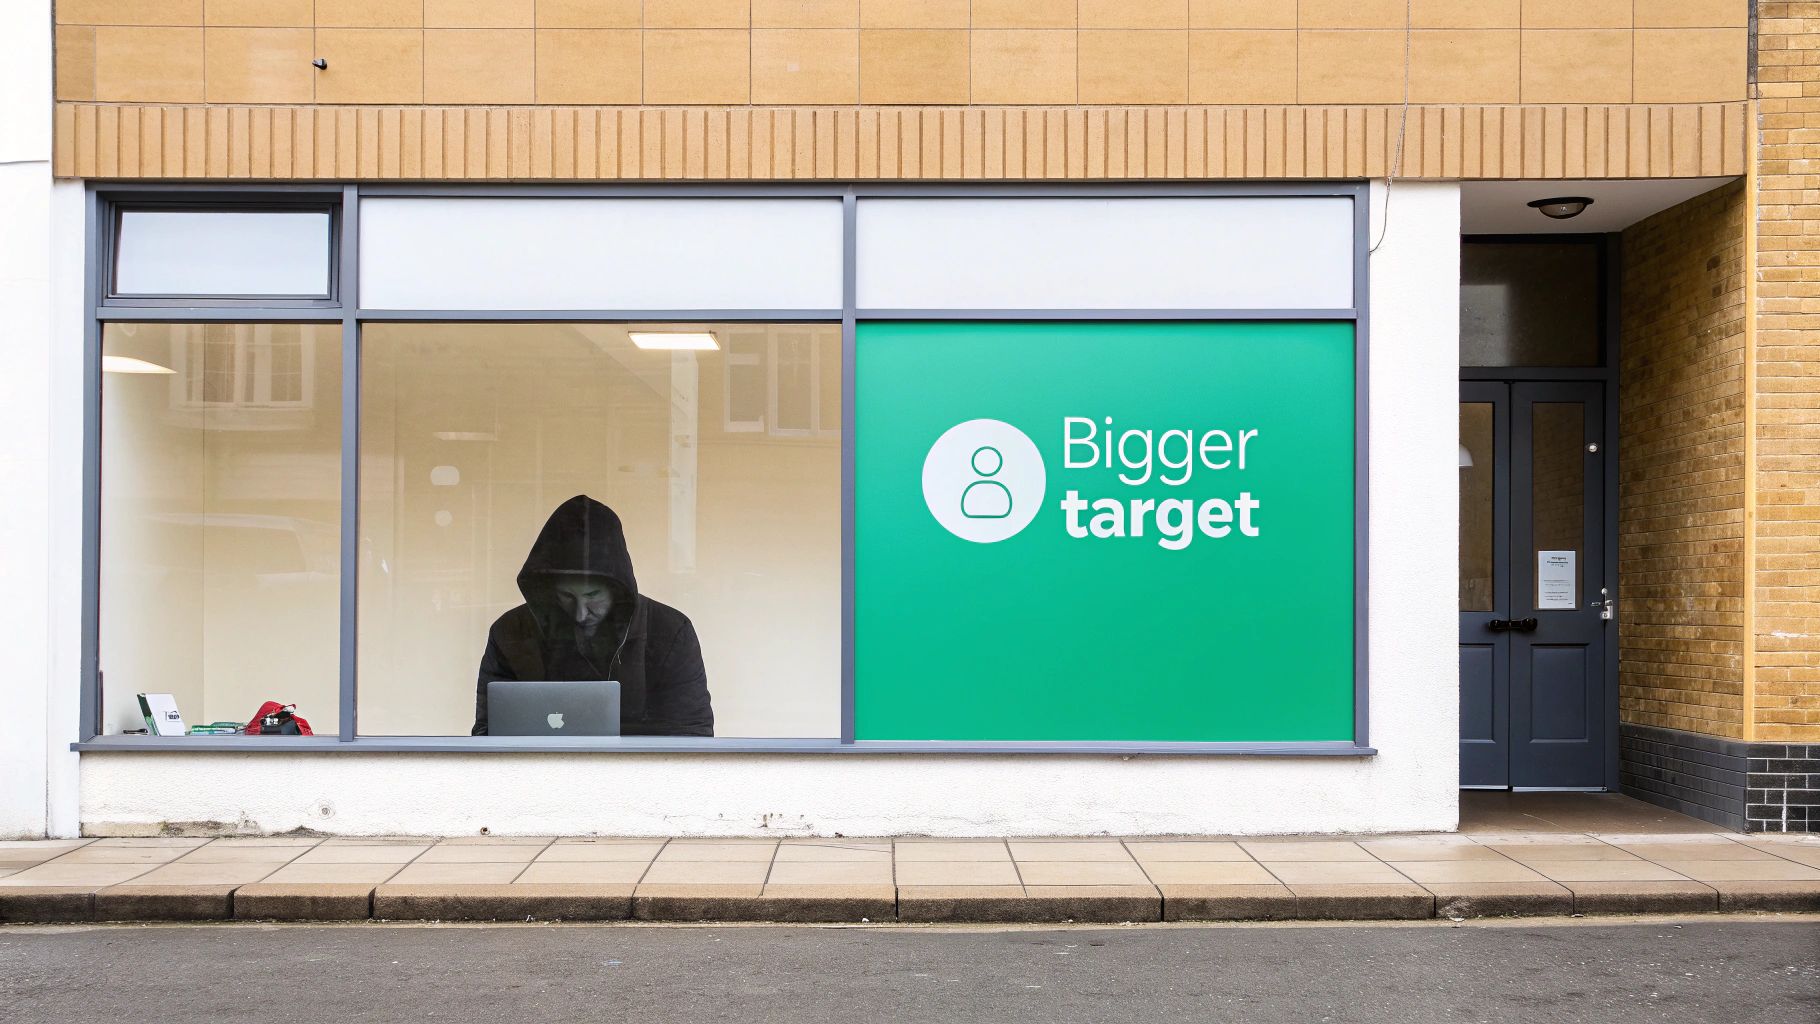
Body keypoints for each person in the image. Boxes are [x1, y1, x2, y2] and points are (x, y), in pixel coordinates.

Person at [472, 495, 713, 736]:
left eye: (593, 596)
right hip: (538, 761)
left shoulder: (669, 632)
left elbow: (691, 736)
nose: (580, 613)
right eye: (567, 596)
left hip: (637, 763)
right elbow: (487, 732)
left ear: (618, 590)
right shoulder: (511, 632)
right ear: (550, 591)